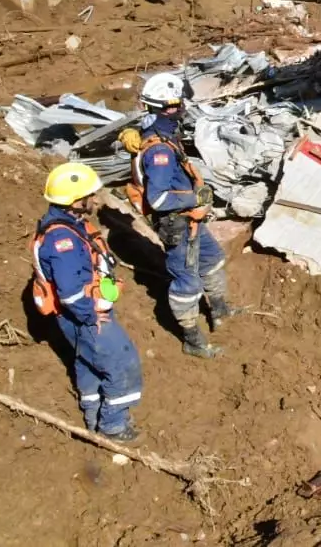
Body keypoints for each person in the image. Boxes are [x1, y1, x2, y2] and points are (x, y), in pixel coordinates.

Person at [125, 72, 240, 359]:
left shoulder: (165, 135)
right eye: (175, 105)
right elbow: (159, 198)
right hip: (176, 223)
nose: (180, 109)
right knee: (187, 283)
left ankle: (220, 312)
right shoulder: (159, 150)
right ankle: (193, 339)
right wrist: (195, 198)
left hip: (191, 218)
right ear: (163, 108)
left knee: (212, 259)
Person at [31, 163, 142, 442]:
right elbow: (70, 293)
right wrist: (92, 317)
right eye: (89, 195)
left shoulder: (69, 226)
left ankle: (93, 414)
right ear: (74, 201)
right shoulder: (62, 239)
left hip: (83, 314)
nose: (95, 199)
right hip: (85, 315)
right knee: (121, 362)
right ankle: (113, 427)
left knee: (88, 362)